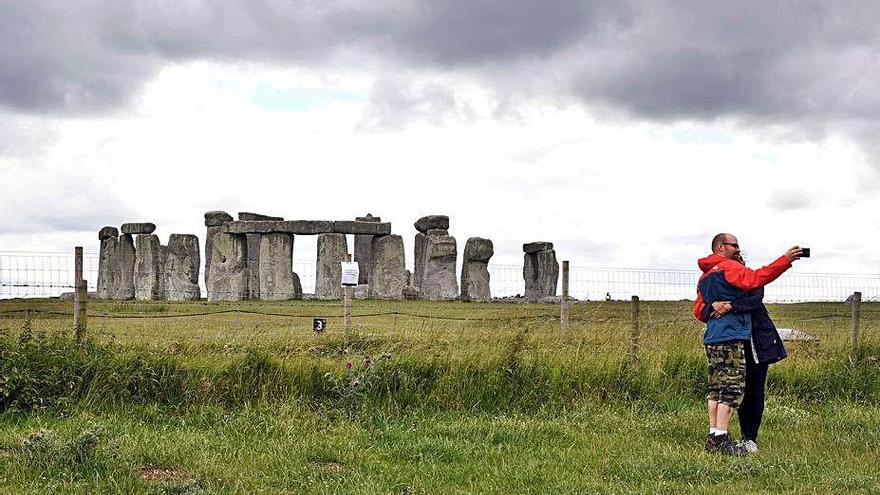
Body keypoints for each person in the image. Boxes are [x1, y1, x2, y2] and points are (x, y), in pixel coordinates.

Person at [693, 233, 802, 456]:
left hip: (714, 337)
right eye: (734, 245)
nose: (738, 250)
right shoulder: (729, 269)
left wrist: (716, 306)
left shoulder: (705, 277)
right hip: (733, 336)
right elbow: (756, 279)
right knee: (732, 390)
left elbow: (700, 308)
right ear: (721, 247)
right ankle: (722, 439)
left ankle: (715, 436)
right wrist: (785, 260)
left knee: (716, 389)